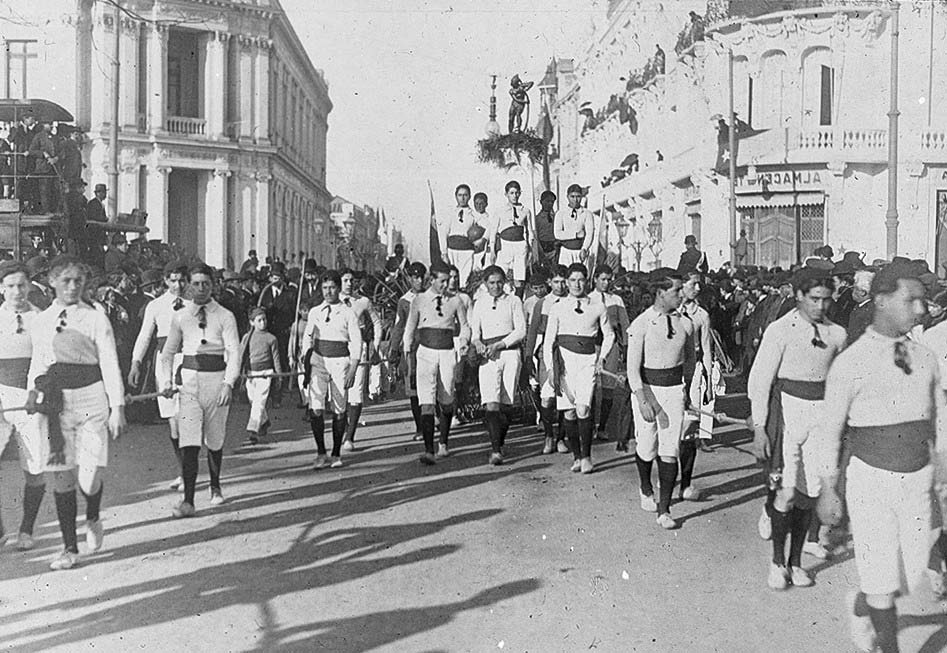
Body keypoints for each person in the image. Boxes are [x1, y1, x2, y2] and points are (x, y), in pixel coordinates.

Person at [816, 262, 942, 653]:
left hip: (918, 479)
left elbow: (939, 419)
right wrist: (826, 488)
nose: (921, 310)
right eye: (912, 301)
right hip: (871, 480)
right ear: (883, 301)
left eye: (923, 302)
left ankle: (860, 606)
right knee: (880, 575)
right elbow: (830, 430)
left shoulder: (926, 356)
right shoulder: (851, 362)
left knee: (912, 571)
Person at [748, 267, 846, 590]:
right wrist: (760, 427)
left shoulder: (837, 335)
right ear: (799, 295)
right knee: (786, 493)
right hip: (787, 413)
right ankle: (777, 562)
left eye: (826, 300)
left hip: (821, 417)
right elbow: (760, 381)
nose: (821, 306)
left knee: (808, 495)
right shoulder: (780, 330)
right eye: (814, 299)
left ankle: (796, 562)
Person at [26, 255, 126, 569]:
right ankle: (70, 548)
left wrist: (117, 406)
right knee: (61, 474)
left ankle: (93, 515)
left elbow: (110, 362)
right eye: (66, 280)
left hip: (92, 400)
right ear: (53, 281)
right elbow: (39, 363)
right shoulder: (42, 320)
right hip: (56, 403)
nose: (72, 286)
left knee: (89, 477)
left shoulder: (96, 317)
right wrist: (32, 393)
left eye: (78, 281)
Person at [159, 263, 240, 517]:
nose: (201, 288)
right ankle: (188, 501)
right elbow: (168, 352)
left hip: (217, 385)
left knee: (214, 440)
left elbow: (234, 352)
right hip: (190, 386)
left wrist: (229, 383)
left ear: (213, 285)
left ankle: (215, 487)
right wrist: (167, 382)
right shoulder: (181, 317)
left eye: (206, 283)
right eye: (196, 283)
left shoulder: (225, 316)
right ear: (189, 286)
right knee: (189, 441)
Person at [626, 271, 694, 529]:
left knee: (670, 450)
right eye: (676, 290)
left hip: (674, 391)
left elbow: (689, 361)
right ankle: (645, 487)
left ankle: (664, 509)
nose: (681, 295)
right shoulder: (641, 324)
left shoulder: (686, 324)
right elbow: (633, 369)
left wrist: (686, 391)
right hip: (647, 390)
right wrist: (643, 399)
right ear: (660, 293)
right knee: (646, 448)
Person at [544, 263, 614, 474]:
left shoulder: (598, 305)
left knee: (583, 409)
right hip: (564, 362)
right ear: (566, 282)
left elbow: (609, 335)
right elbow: (548, 341)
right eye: (572, 280)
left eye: (581, 279)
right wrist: (550, 368)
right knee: (570, 414)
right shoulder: (557, 307)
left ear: (587, 280)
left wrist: (602, 358)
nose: (576, 284)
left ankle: (586, 457)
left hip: (587, 362)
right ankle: (576, 456)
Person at [0, 261, 48, 550]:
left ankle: (26, 530)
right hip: (0, 396)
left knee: (34, 466)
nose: (17, 291)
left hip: (31, 398)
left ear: (29, 286)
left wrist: (34, 392)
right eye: (10, 286)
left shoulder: (41, 319)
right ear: (1, 289)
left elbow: (44, 360)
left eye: (21, 285)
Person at [129, 261, 189, 489]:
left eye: (181, 280)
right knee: (172, 421)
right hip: (165, 362)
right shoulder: (155, 306)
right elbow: (145, 336)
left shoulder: (197, 303)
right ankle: (182, 471)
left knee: (186, 417)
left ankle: (188, 471)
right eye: (173, 280)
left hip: (190, 360)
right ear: (165, 281)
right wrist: (136, 363)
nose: (178, 285)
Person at [403, 260, 470, 464]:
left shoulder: (456, 301)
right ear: (431, 279)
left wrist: (465, 341)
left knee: (447, 400)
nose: (446, 284)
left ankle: (443, 442)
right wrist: (407, 356)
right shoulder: (420, 300)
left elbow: (465, 325)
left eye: (448, 280)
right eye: (442, 281)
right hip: (425, 354)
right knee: (426, 401)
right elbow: (409, 330)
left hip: (447, 353)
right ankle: (429, 450)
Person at [302, 270, 362, 468]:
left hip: (340, 363)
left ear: (338, 289)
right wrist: (305, 357)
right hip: (318, 362)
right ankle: (321, 452)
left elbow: (356, 342)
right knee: (316, 408)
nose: (328, 292)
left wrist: (353, 367)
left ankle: (336, 453)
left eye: (332, 288)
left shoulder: (348, 312)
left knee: (339, 408)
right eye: (325, 288)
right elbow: (307, 337)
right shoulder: (315, 312)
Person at [469, 266, 526, 465]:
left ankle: (499, 441)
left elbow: (521, 330)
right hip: (488, 356)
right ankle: (495, 450)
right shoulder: (479, 303)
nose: (496, 286)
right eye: (491, 282)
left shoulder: (513, 301)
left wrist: (500, 344)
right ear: (485, 283)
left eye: (499, 282)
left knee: (507, 403)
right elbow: (475, 333)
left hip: (509, 353)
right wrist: (478, 344)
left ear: (505, 281)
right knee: (491, 402)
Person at [524, 265, 569, 454]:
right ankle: (548, 435)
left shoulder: (573, 300)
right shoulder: (542, 303)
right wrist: (528, 357)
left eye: (563, 281)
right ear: (549, 282)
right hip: (546, 350)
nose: (559, 286)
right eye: (556, 281)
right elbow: (533, 331)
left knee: (566, 396)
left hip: (567, 349)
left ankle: (561, 438)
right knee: (547, 396)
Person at [339, 268, 382, 450]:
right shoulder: (333, 302)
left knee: (355, 392)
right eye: (345, 280)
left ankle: (350, 437)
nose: (349, 284)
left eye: (352, 280)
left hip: (359, 348)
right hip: (339, 350)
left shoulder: (363, 302)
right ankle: (344, 429)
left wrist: (376, 347)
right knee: (340, 393)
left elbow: (377, 323)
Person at [588, 264, 629, 441]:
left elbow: (625, 324)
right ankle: (588, 426)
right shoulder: (587, 298)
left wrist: (626, 348)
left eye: (608, 279)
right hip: (591, 345)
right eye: (602, 279)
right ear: (595, 278)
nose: (606, 283)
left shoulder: (616, 300)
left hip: (611, 345)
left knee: (608, 388)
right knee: (589, 387)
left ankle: (603, 426)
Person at [389, 262, 426, 439]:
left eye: (421, 277)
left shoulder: (431, 296)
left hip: (430, 346)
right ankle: (420, 427)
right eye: (415, 277)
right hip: (411, 349)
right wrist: (394, 350)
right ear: (410, 279)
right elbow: (398, 326)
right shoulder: (404, 301)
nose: (419, 281)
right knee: (414, 390)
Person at [240, 307, 282, 445]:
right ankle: (264, 421)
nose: (263, 322)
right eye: (259, 320)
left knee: (259, 401)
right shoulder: (247, 337)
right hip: (251, 373)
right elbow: (241, 355)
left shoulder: (271, 338)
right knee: (253, 400)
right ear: (252, 322)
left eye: (264, 319)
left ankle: (253, 430)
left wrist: (279, 375)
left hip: (266, 373)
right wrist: (239, 372)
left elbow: (276, 358)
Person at [257, 261, 296, 407]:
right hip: (267, 334)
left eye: (278, 277)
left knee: (280, 363)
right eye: (273, 277)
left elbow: (293, 314)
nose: (275, 280)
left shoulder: (290, 295)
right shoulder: (264, 294)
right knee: (268, 364)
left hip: (283, 335)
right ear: (269, 279)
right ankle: (268, 394)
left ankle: (278, 395)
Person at [487, 180, 533, 296]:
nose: (515, 196)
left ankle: (518, 302)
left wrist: (530, 248)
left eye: (517, 193)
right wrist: (492, 250)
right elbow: (493, 232)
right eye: (511, 193)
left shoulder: (525, 211)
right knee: (499, 274)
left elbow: (529, 231)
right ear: (506, 194)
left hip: (521, 246)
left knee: (519, 278)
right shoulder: (499, 211)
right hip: (505, 245)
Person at [441, 184, 479, 287]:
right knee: (451, 279)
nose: (462, 198)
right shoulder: (450, 213)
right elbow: (444, 232)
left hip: (467, 251)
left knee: (463, 281)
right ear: (456, 196)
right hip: (451, 250)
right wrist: (444, 253)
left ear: (469, 196)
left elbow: (483, 231)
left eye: (465, 195)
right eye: (460, 195)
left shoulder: (474, 215)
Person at [554, 185, 593, 268]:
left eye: (578, 196)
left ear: (582, 197)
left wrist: (585, 248)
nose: (575, 200)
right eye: (572, 196)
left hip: (580, 252)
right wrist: (576, 235)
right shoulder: (561, 213)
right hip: (566, 253)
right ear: (567, 197)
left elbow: (590, 234)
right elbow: (558, 234)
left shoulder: (587, 213)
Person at [534, 190, 558, 267]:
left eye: (552, 202)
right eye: (547, 201)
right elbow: (536, 237)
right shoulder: (537, 219)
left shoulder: (556, 218)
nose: (550, 204)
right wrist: (541, 252)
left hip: (554, 248)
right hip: (542, 248)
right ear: (541, 202)